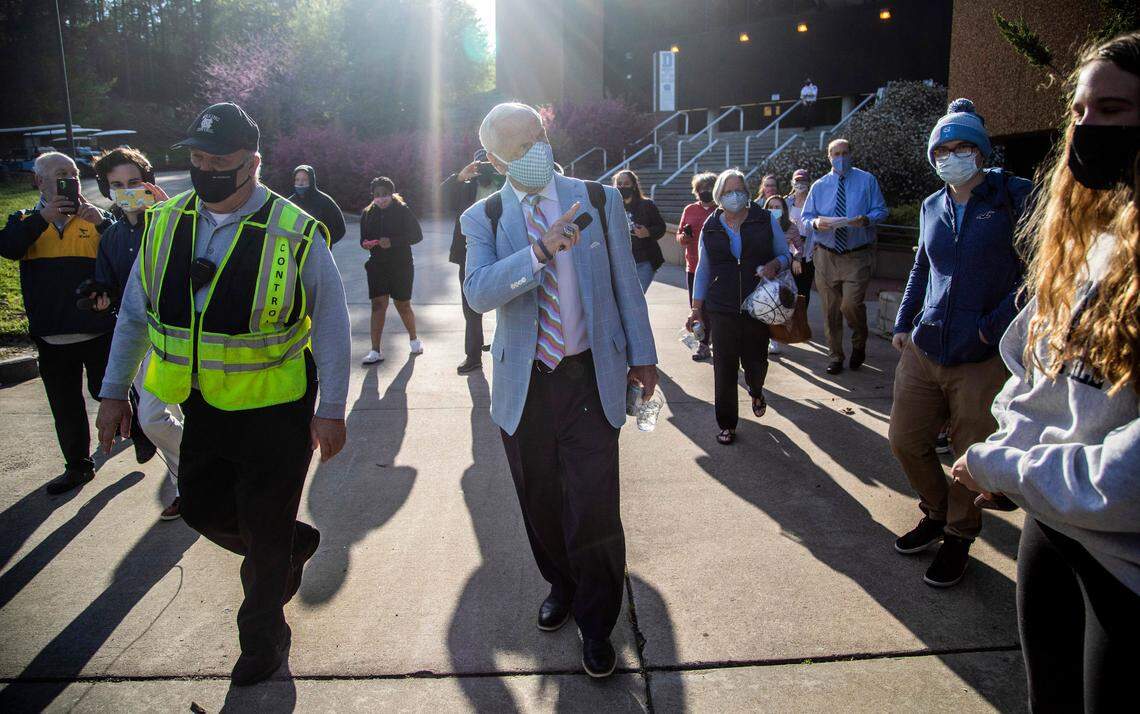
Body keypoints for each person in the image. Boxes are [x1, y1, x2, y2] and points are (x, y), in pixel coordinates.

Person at [94, 102, 351, 686]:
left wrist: (332, 409)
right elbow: (134, 315)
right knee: (203, 509)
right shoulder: (164, 222)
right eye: (197, 158)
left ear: (253, 163)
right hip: (202, 404)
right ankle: (290, 546)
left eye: (219, 160)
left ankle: (262, 641)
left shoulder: (295, 230)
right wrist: (113, 393)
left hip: (277, 410)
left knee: (264, 528)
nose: (205, 169)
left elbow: (333, 325)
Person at [951, 32, 1140, 709]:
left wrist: (1007, 469)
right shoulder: (1091, 244)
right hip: (1051, 530)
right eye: (1080, 111)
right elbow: (1040, 377)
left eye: (1113, 111)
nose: (1088, 129)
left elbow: (1127, 477)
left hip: (1124, 563)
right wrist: (1010, 459)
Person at [461, 102, 658, 678]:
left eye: (539, 136)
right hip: (525, 384)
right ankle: (563, 585)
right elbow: (478, 292)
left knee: (594, 506)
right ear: (495, 159)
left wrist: (643, 355)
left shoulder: (598, 199)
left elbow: (625, 282)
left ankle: (597, 624)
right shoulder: (484, 215)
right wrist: (539, 251)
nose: (536, 151)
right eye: (520, 147)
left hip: (589, 375)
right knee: (540, 502)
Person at [888, 99, 1032, 588]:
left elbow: (1038, 272)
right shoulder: (933, 205)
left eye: (962, 147)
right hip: (925, 345)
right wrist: (904, 322)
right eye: (942, 150)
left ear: (981, 150)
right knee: (905, 441)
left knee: (969, 455)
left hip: (982, 355)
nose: (951, 157)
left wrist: (992, 327)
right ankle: (935, 511)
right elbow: (921, 267)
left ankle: (958, 533)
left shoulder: (1013, 196)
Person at [0, 151, 115, 495]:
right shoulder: (24, 219)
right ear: (39, 181)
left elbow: (123, 252)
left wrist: (102, 223)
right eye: (61, 174)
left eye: (74, 174)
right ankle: (78, 466)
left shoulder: (96, 217)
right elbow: (9, 247)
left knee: (107, 391)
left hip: (98, 329)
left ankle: (139, 430)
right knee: (65, 407)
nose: (71, 180)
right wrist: (42, 218)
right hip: (51, 334)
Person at [91, 146, 184, 520]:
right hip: (142, 342)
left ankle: (201, 473)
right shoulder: (111, 238)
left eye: (134, 182)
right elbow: (108, 285)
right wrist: (99, 298)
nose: (127, 191)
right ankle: (192, 481)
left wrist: (170, 216)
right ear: (107, 190)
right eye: (117, 185)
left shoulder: (174, 221)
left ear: (149, 183)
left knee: (161, 416)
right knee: (158, 417)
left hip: (181, 336)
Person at [687, 169, 790, 445]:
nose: (735, 196)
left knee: (756, 361)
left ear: (747, 192)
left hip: (758, 304)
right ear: (719, 195)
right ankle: (727, 423)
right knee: (724, 366)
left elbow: (785, 255)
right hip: (721, 306)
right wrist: (696, 308)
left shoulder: (764, 219)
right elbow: (703, 269)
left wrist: (775, 264)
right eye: (728, 191)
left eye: (739, 190)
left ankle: (756, 390)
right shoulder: (711, 226)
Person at [802, 138, 888, 375]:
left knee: (850, 305)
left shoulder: (866, 180)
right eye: (836, 154)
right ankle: (836, 355)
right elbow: (805, 218)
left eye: (844, 152)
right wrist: (816, 223)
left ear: (851, 154)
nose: (841, 157)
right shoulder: (819, 186)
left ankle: (859, 341)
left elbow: (881, 210)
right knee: (830, 310)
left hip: (856, 255)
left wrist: (867, 219)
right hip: (826, 255)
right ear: (829, 157)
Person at [443, 150, 503, 373]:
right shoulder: (466, 187)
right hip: (469, 253)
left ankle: (503, 344)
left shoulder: (506, 183)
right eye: (481, 163)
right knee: (471, 306)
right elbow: (439, 197)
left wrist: (505, 173)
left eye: (490, 163)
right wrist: (460, 177)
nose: (485, 167)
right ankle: (473, 355)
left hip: (503, 251)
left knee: (509, 302)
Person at [359, 176, 423, 364]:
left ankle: (414, 340)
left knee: (402, 304)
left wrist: (393, 242)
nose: (381, 198)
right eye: (377, 194)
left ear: (392, 194)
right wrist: (365, 244)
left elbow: (417, 235)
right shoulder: (368, 214)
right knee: (378, 306)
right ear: (373, 195)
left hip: (401, 266)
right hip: (377, 266)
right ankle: (375, 350)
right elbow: (363, 239)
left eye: (385, 194)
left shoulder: (402, 210)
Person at [678, 172, 717, 361]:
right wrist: (684, 237)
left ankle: (713, 340)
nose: (705, 191)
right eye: (701, 189)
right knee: (697, 308)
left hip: (717, 269)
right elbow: (679, 235)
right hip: (693, 266)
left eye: (709, 188)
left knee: (714, 308)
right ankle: (703, 344)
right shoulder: (690, 209)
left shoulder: (721, 210)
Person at [614, 169, 666, 293]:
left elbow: (661, 227)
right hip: (621, 262)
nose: (622, 187)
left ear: (634, 185)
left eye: (626, 183)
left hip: (644, 260)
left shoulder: (647, 205)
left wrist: (648, 232)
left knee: (636, 296)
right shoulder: (613, 207)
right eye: (619, 184)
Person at [761, 192, 799, 356]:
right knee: (764, 305)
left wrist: (796, 258)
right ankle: (764, 338)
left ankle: (775, 339)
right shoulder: (760, 226)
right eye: (770, 207)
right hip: (763, 271)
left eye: (777, 207)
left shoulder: (791, 227)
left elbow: (798, 247)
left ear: (784, 209)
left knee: (778, 306)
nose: (774, 210)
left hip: (782, 273)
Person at [288, 164, 347, 246]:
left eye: (304, 180)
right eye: (297, 180)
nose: (300, 183)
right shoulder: (289, 203)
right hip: (295, 251)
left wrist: (325, 244)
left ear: (311, 181)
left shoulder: (324, 201)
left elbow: (340, 228)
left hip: (319, 251)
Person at [786, 168, 815, 307]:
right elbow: (780, 227)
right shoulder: (786, 202)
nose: (800, 183)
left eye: (804, 180)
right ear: (792, 182)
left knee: (804, 292)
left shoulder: (814, 202)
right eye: (797, 180)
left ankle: (802, 318)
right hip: (790, 253)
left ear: (809, 183)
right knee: (789, 291)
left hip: (808, 254)